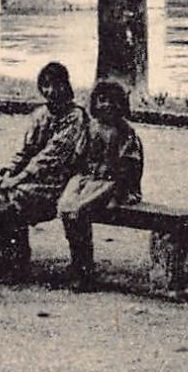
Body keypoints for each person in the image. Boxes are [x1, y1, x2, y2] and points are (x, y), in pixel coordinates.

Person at [0, 61, 88, 275]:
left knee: (13, 199)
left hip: (59, 180)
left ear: (66, 86)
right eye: (45, 85)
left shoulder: (75, 117)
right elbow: (26, 150)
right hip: (31, 177)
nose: (50, 91)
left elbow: (52, 157)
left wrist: (18, 179)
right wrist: (8, 171)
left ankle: (15, 260)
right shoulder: (40, 115)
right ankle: (2, 257)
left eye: (55, 85)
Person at [57, 80, 144, 292]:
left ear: (122, 105)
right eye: (102, 100)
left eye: (113, 102)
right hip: (88, 179)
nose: (107, 106)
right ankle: (77, 260)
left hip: (113, 183)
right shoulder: (91, 127)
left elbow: (129, 166)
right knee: (66, 206)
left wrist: (119, 192)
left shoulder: (125, 132)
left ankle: (85, 270)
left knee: (81, 209)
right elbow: (78, 155)